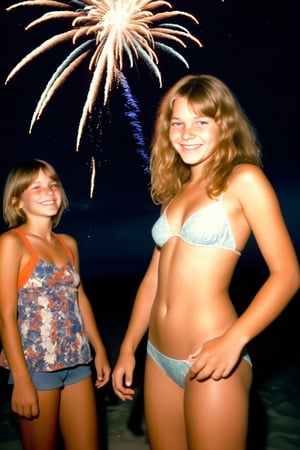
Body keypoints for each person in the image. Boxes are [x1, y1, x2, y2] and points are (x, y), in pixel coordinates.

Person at [111, 74, 300, 450]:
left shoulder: (244, 180)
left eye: (201, 122)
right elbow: (153, 280)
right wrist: (129, 348)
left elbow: (287, 274)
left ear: (224, 125)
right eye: (177, 123)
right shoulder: (175, 194)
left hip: (213, 354)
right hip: (157, 356)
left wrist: (235, 339)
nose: (186, 133)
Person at [0, 159, 111, 450]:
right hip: (37, 366)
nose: (48, 191)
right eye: (36, 186)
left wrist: (98, 350)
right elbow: (6, 315)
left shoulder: (68, 243)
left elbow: (80, 298)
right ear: (17, 200)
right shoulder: (12, 242)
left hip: (77, 361)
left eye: (52, 184)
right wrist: (22, 380)